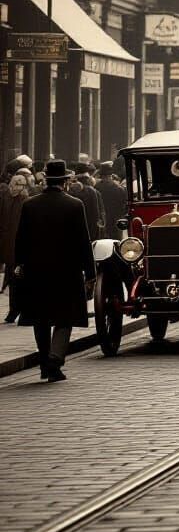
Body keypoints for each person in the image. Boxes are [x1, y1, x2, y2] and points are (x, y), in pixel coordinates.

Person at [14, 161, 95, 382]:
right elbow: (83, 241)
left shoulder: (30, 205)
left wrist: (19, 264)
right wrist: (90, 272)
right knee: (65, 316)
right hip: (66, 270)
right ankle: (55, 358)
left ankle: (44, 363)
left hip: (36, 270)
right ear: (65, 182)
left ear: (46, 181)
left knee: (40, 318)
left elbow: (21, 239)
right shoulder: (75, 205)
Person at [1, 171, 32, 322]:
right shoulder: (5, 199)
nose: (16, 188)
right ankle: (15, 310)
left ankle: (19, 310)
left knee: (19, 280)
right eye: (15, 184)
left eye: (20, 185)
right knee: (13, 279)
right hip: (8, 247)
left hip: (20, 246)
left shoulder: (26, 201)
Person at [69, 164, 105, 240]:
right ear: (87, 178)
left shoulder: (70, 191)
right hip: (90, 231)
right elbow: (97, 215)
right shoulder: (93, 192)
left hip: (74, 231)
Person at [95, 162, 127, 239]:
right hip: (116, 221)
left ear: (101, 175)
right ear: (111, 175)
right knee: (117, 241)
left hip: (103, 221)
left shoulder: (96, 188)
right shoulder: (119, 188)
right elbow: (124, 206)